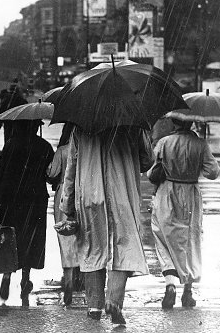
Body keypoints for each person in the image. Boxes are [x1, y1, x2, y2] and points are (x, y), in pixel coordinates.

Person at [60, 125, 153, 323]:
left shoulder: (81, 127)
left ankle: (94, 305)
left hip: (90, 194)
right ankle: (114, 301)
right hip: (123, 193)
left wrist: (67, 206)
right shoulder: (133, 125)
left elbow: (71, 167)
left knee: (92, 248)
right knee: (124, 246)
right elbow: (146, 160)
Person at [150, 118, 220, 309]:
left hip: (166, 193)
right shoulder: (200, 144)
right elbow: (212, 172)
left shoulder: (164, 142)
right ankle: (187, 292)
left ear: (174, 123)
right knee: (190, 239)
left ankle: (170, 284)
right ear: (191, 123)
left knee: (163, 238)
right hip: (190, 194)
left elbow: (151, 172)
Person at [0, 120, 54, 304]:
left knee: (11, 236)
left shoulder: (11, 144)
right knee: (31, 238)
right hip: (34, 200)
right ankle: (26, 277)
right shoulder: (44, 146)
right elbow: (51, 174)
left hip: (11, 199)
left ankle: (7, 273)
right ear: (36, 127)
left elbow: (0, 174)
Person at [46, 123, 78, 306]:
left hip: (64, 194)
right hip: (83, 192)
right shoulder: (85, 150)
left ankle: (69, 277)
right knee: (82, 235)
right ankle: (82, 274)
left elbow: (52, 173)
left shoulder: (62, 151)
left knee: (65, 233)